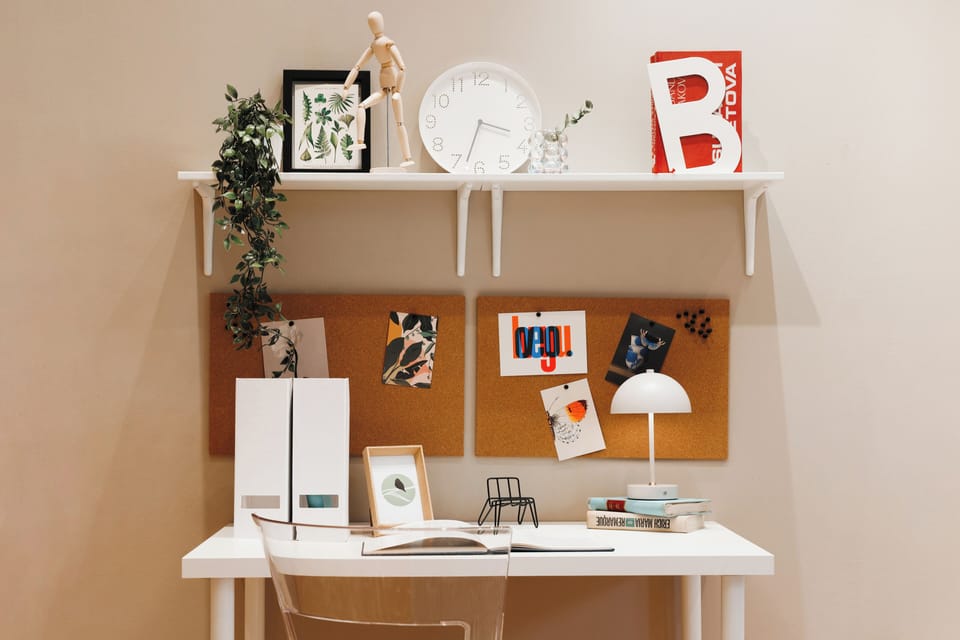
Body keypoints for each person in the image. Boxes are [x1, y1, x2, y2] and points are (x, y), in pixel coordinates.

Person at [343, 11, 415, 167]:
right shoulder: (374, 46)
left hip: (394, 85)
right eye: (372, 23)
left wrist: (398, 90)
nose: (374, 26)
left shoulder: (388, 43)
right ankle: (360, 141)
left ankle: (407, 157)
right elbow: (358, 65)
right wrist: (346, 86)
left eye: (375, 22)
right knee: (361, 106)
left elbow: (402, 67)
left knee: (399, 122)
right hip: (383, 85)